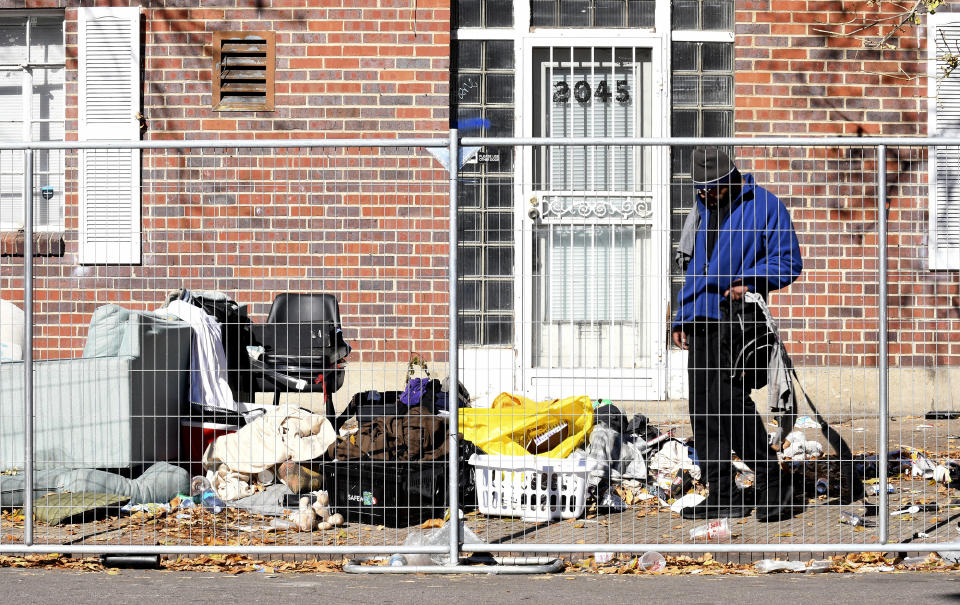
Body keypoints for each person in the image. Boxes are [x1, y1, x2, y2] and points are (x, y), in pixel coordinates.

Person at [671, 148, 803, 522]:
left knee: (731, 404)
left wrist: (751, 281)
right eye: (699, 189)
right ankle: (723, 492)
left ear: (730, 179)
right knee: (703, 407)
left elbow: (789, 260)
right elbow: (695, 267)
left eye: (711, 189)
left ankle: (774, 483)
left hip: (739, 320)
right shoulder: (701, 210)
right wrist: (682, 316)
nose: (704, 196)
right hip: (701, 319)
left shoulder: (765, 206)